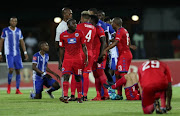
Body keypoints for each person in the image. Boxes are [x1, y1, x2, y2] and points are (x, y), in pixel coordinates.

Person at [101, 17, 135, 100]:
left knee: (123, 75)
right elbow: (125, 40)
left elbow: (116, 42)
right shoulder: (123, 30)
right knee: (117, 74)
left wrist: (105, 49)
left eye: (112, 22)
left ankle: (128, 93)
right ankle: (119, 94)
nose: (111, 24)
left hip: (124, 55)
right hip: (123, 54)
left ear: (115, 23)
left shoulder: (120, 31)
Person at [59, 19, 88, 103]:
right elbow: (61, 49)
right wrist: (60, 61)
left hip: (78, 59)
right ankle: (65, 96)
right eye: (73, 23)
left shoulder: (80, 33)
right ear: (68, 25)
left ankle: (79, 97)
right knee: (66, 76)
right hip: (67, 59)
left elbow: (84, 46)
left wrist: (86, 58)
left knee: (78, 77)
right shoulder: (63, 35)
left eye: (75, 23)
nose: (75, 24)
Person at [70, 11, 96, 101]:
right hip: (89, 53)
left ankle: (73, 95)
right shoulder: (93, 28)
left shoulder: (77, 27)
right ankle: (84, 96)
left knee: (74, 74)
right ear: (89, 18)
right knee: (86, 74)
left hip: (79, 52)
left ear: (81, 18)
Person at [0, 17, 29, 94]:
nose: (14, 22)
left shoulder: (18, 31)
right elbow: (1, 41)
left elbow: (22, 41)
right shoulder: (5, 30)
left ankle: (17, 89)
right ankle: (9, 87)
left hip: (17, 53)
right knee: (11, 69)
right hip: (9, 53)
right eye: (12, 21)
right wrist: (0, 53)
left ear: (16, 22)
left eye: (15, 21)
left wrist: (25, 52)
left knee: (18, 71)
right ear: (10, 22)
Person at [89, 15, 109, 101]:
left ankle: (106, 94)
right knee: (95, 75)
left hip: (99, 54)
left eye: (89, 20)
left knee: (101, 73)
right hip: (92, 56)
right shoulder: (90, 30)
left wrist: (102, 54)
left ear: (93, 21)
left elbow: (104, 42)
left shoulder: (99, 29)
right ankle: (98, 95)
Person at [55, 7, 72, 98]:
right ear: (64, 15)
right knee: (65, 73)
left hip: (74, 53)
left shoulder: (72, 24)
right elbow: (57, 43)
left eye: (71, 13)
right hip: (65, 53)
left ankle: (74, 94)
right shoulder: (60, 27)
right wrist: (60, 59)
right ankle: (64, 94)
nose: (71, 15)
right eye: (69, 13)